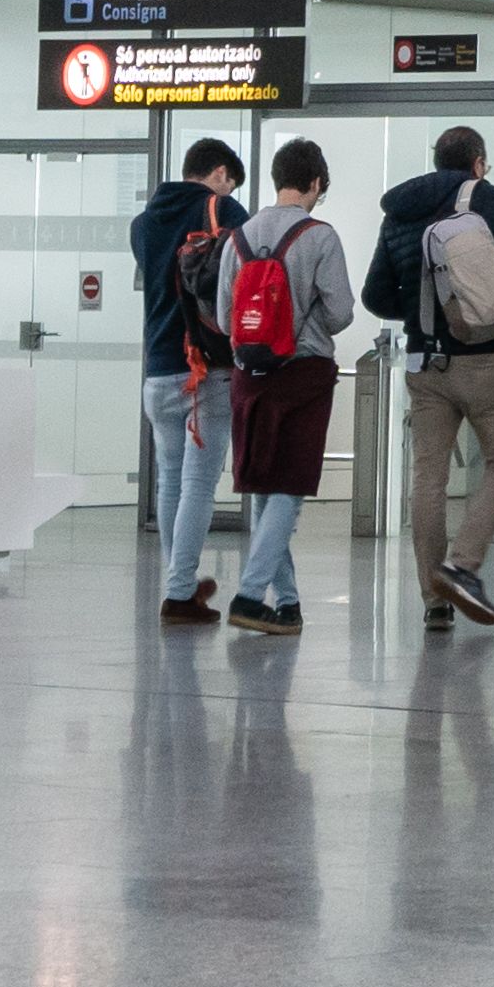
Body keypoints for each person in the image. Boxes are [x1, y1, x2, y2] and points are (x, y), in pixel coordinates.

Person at [372, 126, 494, 632]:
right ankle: (461, 566)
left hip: (424, 365)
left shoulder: (397, 211)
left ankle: (434, 601)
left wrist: (419, 304)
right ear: (477, 163)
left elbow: (376, 294)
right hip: (483, 360)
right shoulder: (482, 198)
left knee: (428, 478)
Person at [219, 141, 357, 638]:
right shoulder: (320, 236)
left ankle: (289, 602)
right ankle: (251, 595)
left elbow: (222, 318)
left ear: (278, 178)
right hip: (303, 374)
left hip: (249, 375)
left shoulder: (238, 236)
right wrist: (306, 320)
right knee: (290, 489)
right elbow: (341, 312)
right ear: (316, 183)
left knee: (263, 486)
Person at [133, 137, 246, 626]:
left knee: (171, 482)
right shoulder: (220, 208)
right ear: (219, 173)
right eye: (230, 181)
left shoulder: (142, 223)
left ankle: (181, 581)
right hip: (204, 369)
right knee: (199, 484)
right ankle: (179, 591)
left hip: (157, 370)